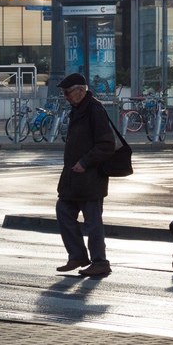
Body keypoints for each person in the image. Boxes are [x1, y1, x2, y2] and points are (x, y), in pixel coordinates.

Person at [53, 73, 117, 278]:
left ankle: (100, 262)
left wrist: (85, 162)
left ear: (81, 91)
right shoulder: (78, 109)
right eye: (64, 93)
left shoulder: (94, 109)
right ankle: (78, 256)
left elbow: (107, 145)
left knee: (93, 222)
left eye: (67, 93)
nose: (66, 97)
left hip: (90, 179)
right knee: (63, 210)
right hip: (74, 180)